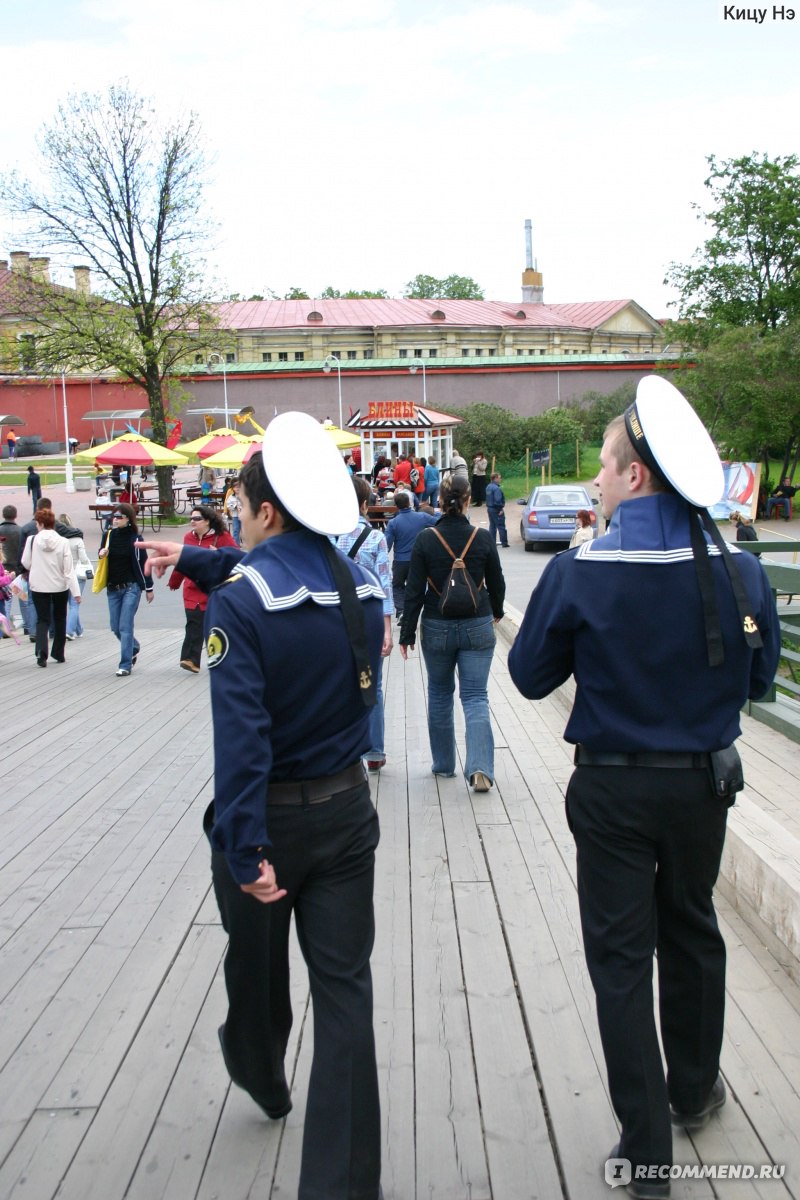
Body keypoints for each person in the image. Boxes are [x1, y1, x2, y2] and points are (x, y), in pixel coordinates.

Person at [508, 376, 780, 1197]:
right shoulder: (740, 568)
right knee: (693, 930)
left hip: (613, 791)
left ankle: (647, 1149)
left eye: (604, 464)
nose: (596, 478)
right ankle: (695, 1091)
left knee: (621, 960)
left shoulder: (585, 565)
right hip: (703, 786)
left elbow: (527, 676)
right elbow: (761, 677)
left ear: (637, 477)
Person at [141, 413, 386, 1200]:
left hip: (267, 822)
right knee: (345, 993)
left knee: (254, 967)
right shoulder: (361, 587)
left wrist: (245, 849)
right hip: (347, 812)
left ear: (267, 511)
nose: (237, 518)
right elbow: (266, 572)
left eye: (241, 507)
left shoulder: (242, 606)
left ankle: (258, 1069)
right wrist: (201, 557)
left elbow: (241, 740)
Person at [399, 473, 506, 792]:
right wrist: (496, 611)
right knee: (475, 696)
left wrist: (407, 634)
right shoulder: (483, 537)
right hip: (477, 624)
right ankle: (481, 769)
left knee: (439, 694)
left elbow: (414, 590)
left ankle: (444, 764)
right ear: (469, 498)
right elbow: (497, 581)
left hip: (436, 624)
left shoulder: (426, 539)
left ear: (440, 502)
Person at [336, 476, 394, 771]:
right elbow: (384, 584)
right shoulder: (375, 538)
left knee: (338, 684)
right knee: (374, 686)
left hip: (334, 619)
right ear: (364, 504)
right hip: (368, 620)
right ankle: (374, 752)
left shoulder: (327, 537)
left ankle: (344, 753)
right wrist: (387, 628)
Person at [167, 505, 237, 672]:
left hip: (212, 588)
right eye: (191, 518)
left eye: (197, 518)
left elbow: (234, 557)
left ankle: (220, 658)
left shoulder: (222, 537)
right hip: (191, 587)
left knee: (213, 626)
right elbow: (182, 560)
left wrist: (219, 552)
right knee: (193, 622)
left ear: (207, 521)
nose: (193, 521)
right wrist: (174, 581)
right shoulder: (188, 538)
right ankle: (190, 660)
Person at [97, 503, 154, 677]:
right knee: (115, 626)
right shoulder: (108, 535)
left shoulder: (136, 539)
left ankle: (125, 664)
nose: (115, 519)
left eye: (119, 517)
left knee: (125, 626)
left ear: (128, 519)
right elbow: (101, 553)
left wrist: (149, 587)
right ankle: (133, 647)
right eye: (113, 516)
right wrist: (101, 553)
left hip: (131, 587)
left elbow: (144, 562)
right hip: (113, 588)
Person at [21, 508, 80, 667]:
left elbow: (26, 562)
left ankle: (41, 652)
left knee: (43, 619)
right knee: (60, 618)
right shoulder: (63, 542)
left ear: (39, 523)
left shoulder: (32, 540)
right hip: (59, 585)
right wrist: (76, 592)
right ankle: (58, 653)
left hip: (38, 585)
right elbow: (68, 570)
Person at [384, 490, 437, 618]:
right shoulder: (421, 517)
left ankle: (401, 611)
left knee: (397, 586)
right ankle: (417, 610)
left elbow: (387, 544)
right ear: (409, 503)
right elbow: (438, 521)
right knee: (418, 586)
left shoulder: (393, 523)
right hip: (417, 559)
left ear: (396, 505)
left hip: (400, 560)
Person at [58, 514, 93, 639]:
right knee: (74, 603)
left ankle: (79, 629)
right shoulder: (78, 539)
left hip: (63, 573)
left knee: (70, 603)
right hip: (77, 573)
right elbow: (83, 558)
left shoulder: (59, 539)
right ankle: (70, 631)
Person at [485, 472, 510, 548]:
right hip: (496, 509)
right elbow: (498, 500)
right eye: (499, 478)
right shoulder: (496, 489)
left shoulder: (488, 487)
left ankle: (492, 543)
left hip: (489, 508)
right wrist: (500, 509)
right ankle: (504, 542)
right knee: (501, 526)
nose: (500, 479)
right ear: (495, 478)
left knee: (492, 526)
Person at [224, 477, 242, 545]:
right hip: (235, 516)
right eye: (235, 487)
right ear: (232, 488)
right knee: (236, 530)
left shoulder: (244, 495)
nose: (237, 488)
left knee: (245, 531)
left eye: (239, 487)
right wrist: (234, 506)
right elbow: (228, 505)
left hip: (243, 516)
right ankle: (236, 545)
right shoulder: (231, 497)